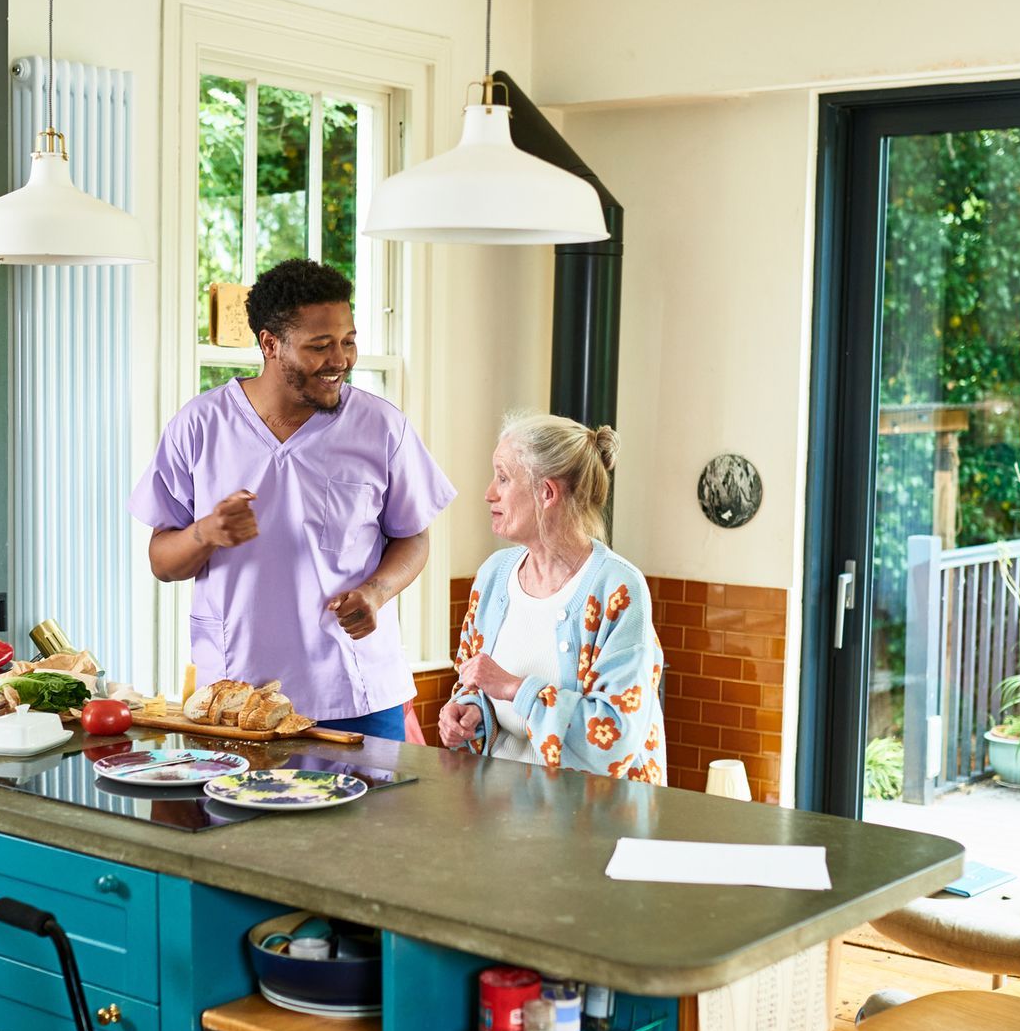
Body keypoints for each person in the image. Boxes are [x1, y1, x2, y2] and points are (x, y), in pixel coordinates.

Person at [131, 259, 454, 739]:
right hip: (238, 699)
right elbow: (162, 561)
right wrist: (205, 533)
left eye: (348, 341)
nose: (340, 359)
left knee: (372, 818)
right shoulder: (199, 427)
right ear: (270, 344)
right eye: (320, 346)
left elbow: (414, 538)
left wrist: (376, 592)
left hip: (356, 691)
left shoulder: (382, 427)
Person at [439, 413, 665, 781]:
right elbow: (474, 685)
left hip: (591, 825)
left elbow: (615, 739)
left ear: (546, 492)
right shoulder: (493, 576)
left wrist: (514, 688)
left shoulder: (617, 588)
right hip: (498, 813)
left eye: (503, 477)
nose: (489, 493)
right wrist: (468, 712)